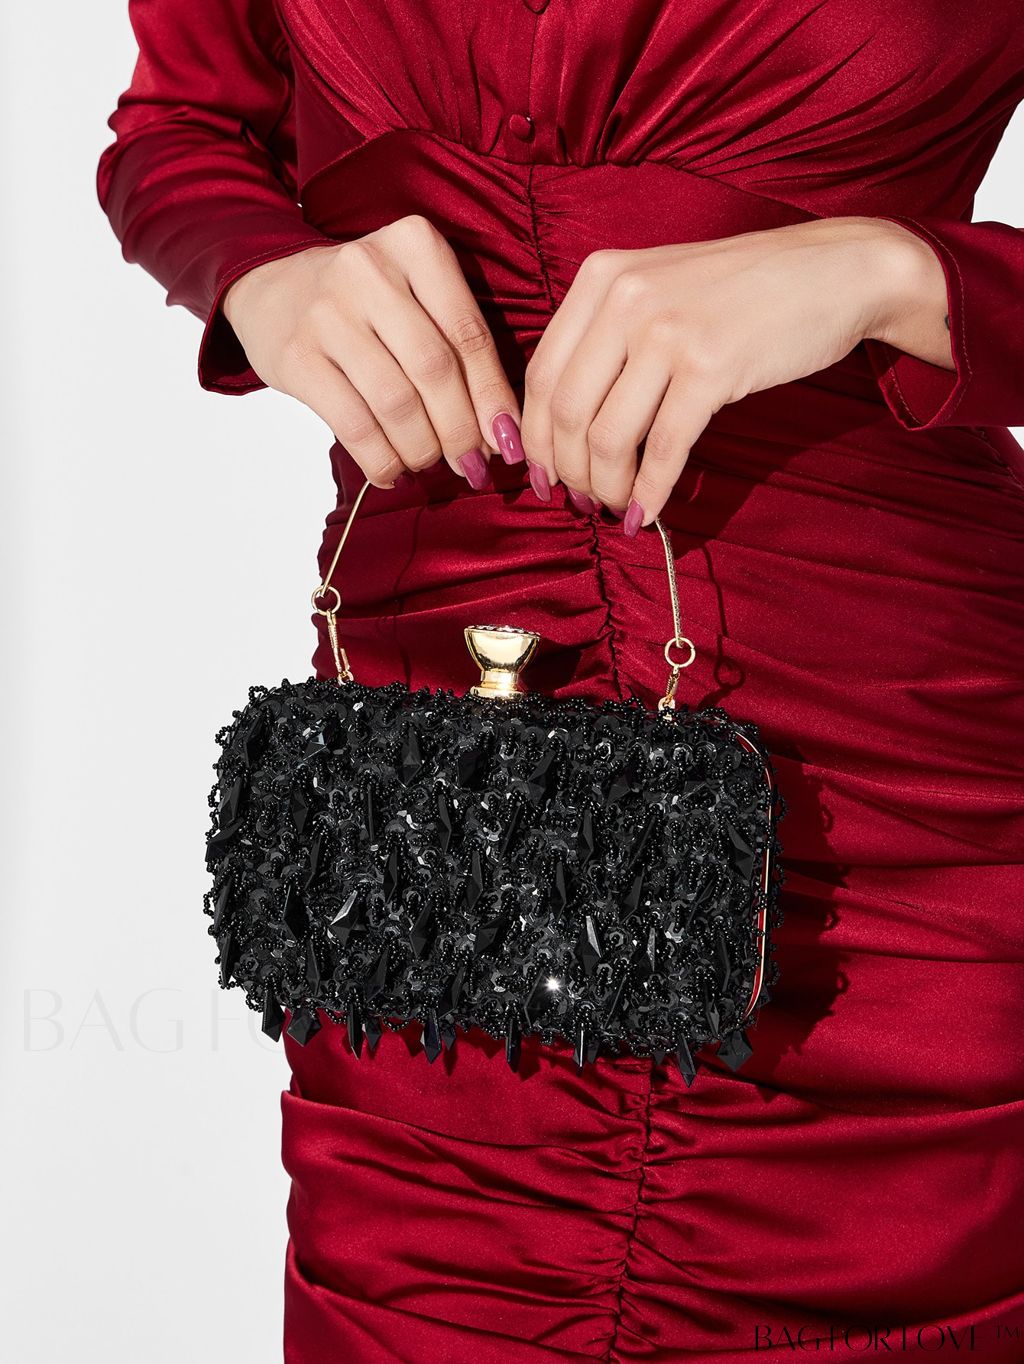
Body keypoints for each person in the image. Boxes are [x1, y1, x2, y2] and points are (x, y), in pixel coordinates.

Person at [96, 3, 1024, 1359]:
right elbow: (178, 126)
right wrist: (263, 273)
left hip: (887, 834)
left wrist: (891, 275)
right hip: (438, 818)